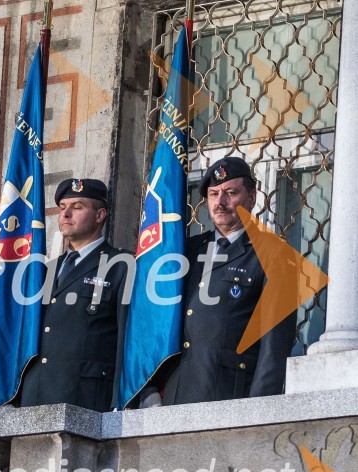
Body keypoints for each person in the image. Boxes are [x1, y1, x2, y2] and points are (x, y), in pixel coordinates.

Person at [160, 157, 295, 405]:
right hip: (174, 395)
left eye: (230, 193)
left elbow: (274, 346)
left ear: (252, 198)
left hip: (228, 396)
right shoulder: (185, 251)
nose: (220, 203)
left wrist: (259, 408)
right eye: (213, 194)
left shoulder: (274, 254)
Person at [19, 178, 129, 412]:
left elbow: (127, 338)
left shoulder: (122, 265)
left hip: (86, 397)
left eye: (77, 207)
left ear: (100, 215)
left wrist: (122, 400)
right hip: (35, 397)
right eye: (62, 208)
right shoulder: (44, 270)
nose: (66, 214)